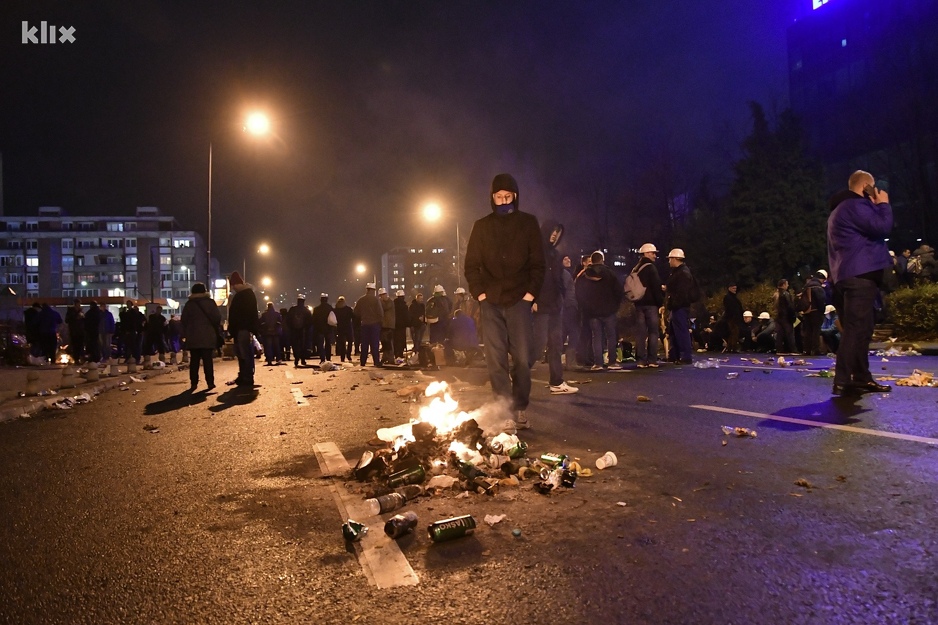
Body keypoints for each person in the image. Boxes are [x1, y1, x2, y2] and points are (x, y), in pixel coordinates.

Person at [465, 173, 545, 429]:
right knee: (495, 359)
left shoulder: (528, 223)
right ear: (492, 198)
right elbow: (471, 266)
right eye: (498, 197)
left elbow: (538, 264)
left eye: (507, 197)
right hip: (490, 302)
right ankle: (504, 411)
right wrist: (480, 294)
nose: (502, 201)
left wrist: (530, 295)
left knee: (522, 358)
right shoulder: (482, 226)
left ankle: (520, 405)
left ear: (515, 196)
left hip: (519, 301)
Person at [827, 170, 893, 395]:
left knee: (862, 329)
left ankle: (861, 377)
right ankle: (843, 380)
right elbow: (882, 227)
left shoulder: (842, 209)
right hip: (860, 275)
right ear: (866, 186)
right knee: (856, 329)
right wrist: (883, 204)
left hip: (852, 275)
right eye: (872, 187)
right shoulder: (854, 206)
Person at [530, 221, 578, 394]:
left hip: (555, 306)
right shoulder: (535, 252)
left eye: (558, 232)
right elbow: (530, 277)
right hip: (540, 305)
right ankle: (519, 374)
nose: (555, 234)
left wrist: (562, 298)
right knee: (538, 345)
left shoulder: (556, 254)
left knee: (556, 345)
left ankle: (556, 382)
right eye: (553, 231)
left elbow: (558, 280)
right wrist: (531, 299)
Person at [576, 250, 622, 370]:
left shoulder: (584, 275)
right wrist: (615, 306)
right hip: (609, 310)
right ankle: (612, 362)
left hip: (592, 312)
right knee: (611, 336)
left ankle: (598, 363)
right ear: (602, 260)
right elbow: (618, 291)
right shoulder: (610, 274)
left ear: (592, 260)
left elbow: (578, 293)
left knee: (596, 336)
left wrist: (585, 307)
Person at [181, 282, 221, 392]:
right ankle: (210, 383)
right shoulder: (210, 303)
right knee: (208, 360)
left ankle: (194, 383)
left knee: (194, 361)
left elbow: (184, 320)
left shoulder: (189, 304)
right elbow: (217, 318)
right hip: (207, 336)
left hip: (193, 337)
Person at [632, 243, 664, 368]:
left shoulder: (635, 268)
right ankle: (652, 359)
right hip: (651, 304)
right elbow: (656, 287)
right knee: (653, 332)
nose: (655, 255)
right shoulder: (651, 268)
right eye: (652, 253)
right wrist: (660, 302)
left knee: (640, 332)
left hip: (638, 303)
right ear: (646, 253)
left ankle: (640, 360)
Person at [227, 271, 259, 387]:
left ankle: (247, 377)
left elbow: (235, 314)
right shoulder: (248, 294)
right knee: (243, 353)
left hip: (242, 329)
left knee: (244, 353)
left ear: (236, 284)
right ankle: (245, 375)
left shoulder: (242, 296)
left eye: (233, 285)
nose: (233, 288)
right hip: (243, 329)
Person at [664, 248, 696, 364]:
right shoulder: (680, 272)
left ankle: (685, 356)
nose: (669, 261)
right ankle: (674, 355)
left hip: (680, 307)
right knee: (673, 331)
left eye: (670, 259)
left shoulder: (682, 273)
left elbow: (682, 292)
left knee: (681, 331)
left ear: (675, 259)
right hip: (677, 306)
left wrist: (674, 303)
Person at [354, 283, 384, 367]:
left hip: (364, 324)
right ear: (373, 290)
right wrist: (380, 322)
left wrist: (363, 316)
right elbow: (380, 313)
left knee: (364, 344)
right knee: (375, 344)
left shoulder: (361, 300)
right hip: (375, 325)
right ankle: (376, 362)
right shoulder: (376, 300)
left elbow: (356, 312)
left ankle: (363, 362)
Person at [799, 271, 827, 356]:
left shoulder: (806, 285)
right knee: (816, 331)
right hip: (816, 312)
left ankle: (806, 350)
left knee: (808, 331)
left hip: (807, 311)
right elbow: (821, 300)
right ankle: (815, 350)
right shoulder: (818, 286)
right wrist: (822, 311)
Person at [560, 255, 580, 370]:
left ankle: (558, 362)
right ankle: (570, 362)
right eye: (565, 259)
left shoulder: (566, 273)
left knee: (562, 335)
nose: (569, 260)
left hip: (566, 307)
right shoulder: (564, 274)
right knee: (573, 333)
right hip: (568, 307)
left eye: (569, 258)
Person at [287, 295, 312, 366]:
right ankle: (303, 359)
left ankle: (296, 359)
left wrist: (291, 328)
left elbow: (288, 320)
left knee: (295, 345)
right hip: (303, 330)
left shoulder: (292, 309)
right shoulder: (306, 310)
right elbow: (310, 321)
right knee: (303, 345)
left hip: (294, 330)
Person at [773, 279, 797, 354]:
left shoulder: (776, 294)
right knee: (790, 334)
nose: (788, 285)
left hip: (779, 316)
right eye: (787, 284)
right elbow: (790, 306)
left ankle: (779, 349)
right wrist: (793, 316)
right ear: (783, 285)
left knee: (780, 334)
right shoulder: (786, 294)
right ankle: (793, 350)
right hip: (786, 316)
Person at [119, 300, 145, 364]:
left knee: (134, 346)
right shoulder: (126, 313)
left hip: (134, 332)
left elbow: (136, 323)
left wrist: (139, 330)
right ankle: (129, 358)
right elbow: (123, 321)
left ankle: (135, 358)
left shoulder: (134, 314)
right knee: (128, 345)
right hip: (129, 331)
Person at [312, 293, 335, 364]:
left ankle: (322, 358)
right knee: (328, 344)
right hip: (328, 329)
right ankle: (328, 358)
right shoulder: (330, 308)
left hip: (319, 329)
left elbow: (314, 320)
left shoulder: (316, 309)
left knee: (320, 344)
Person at [721, 283, 744, 353]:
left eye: (735, 288)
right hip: (732, 318)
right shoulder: (728, 297)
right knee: (734, 332)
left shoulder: (733, 297)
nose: (735, 290)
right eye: (733, 288)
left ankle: (731, 347)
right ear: (729, 288)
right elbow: (730, 309)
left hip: (735, 318)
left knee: (734, 333)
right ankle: (732, 347)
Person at [334, 296, 355, 362]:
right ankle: (348, 355)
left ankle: (342, 357)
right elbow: (353, 317)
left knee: (342, 343)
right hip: (348, 327)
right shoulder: (348, 309)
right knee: (350, 341)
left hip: (340, 328)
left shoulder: (335, 310)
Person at [378, 287, 396, 364]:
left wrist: (380, 302)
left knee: (388, 343)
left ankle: (390, 358)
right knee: (385, 343)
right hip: (384, 325)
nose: (381, 297)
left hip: (388, 325)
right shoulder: (386, 302)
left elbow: (384, 308)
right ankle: (385, 357)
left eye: (382, 296)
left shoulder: (389, 302)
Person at [64, 299, 85, 363]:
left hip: (80, 331)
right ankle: (76, 359)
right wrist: (76, 317)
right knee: (75, 345)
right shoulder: (71, 311)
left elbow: (83, 320)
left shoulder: (81, 311)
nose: (78, 305)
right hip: (74, 331)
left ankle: (80, 358)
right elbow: (67, 320)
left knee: (80, 345)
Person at [393, 290, 409, 359]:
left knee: (395, 340)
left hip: (395, 325)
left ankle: (396, 353)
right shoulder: (404, 305)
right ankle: (400, 353)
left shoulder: (393, 305)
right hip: (402, 326)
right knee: (402, 340)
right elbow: (406, 316)